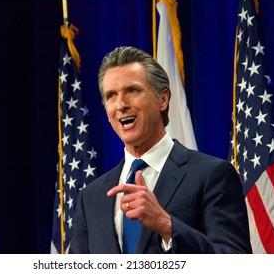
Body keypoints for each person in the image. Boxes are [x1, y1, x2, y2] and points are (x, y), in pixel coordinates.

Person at [69, 46, 252, 254]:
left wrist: (166, 225)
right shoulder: (91, 198)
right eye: (111, 95)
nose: (121, 104)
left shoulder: (212, 175)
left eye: (133, 90)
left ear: (162, 99)